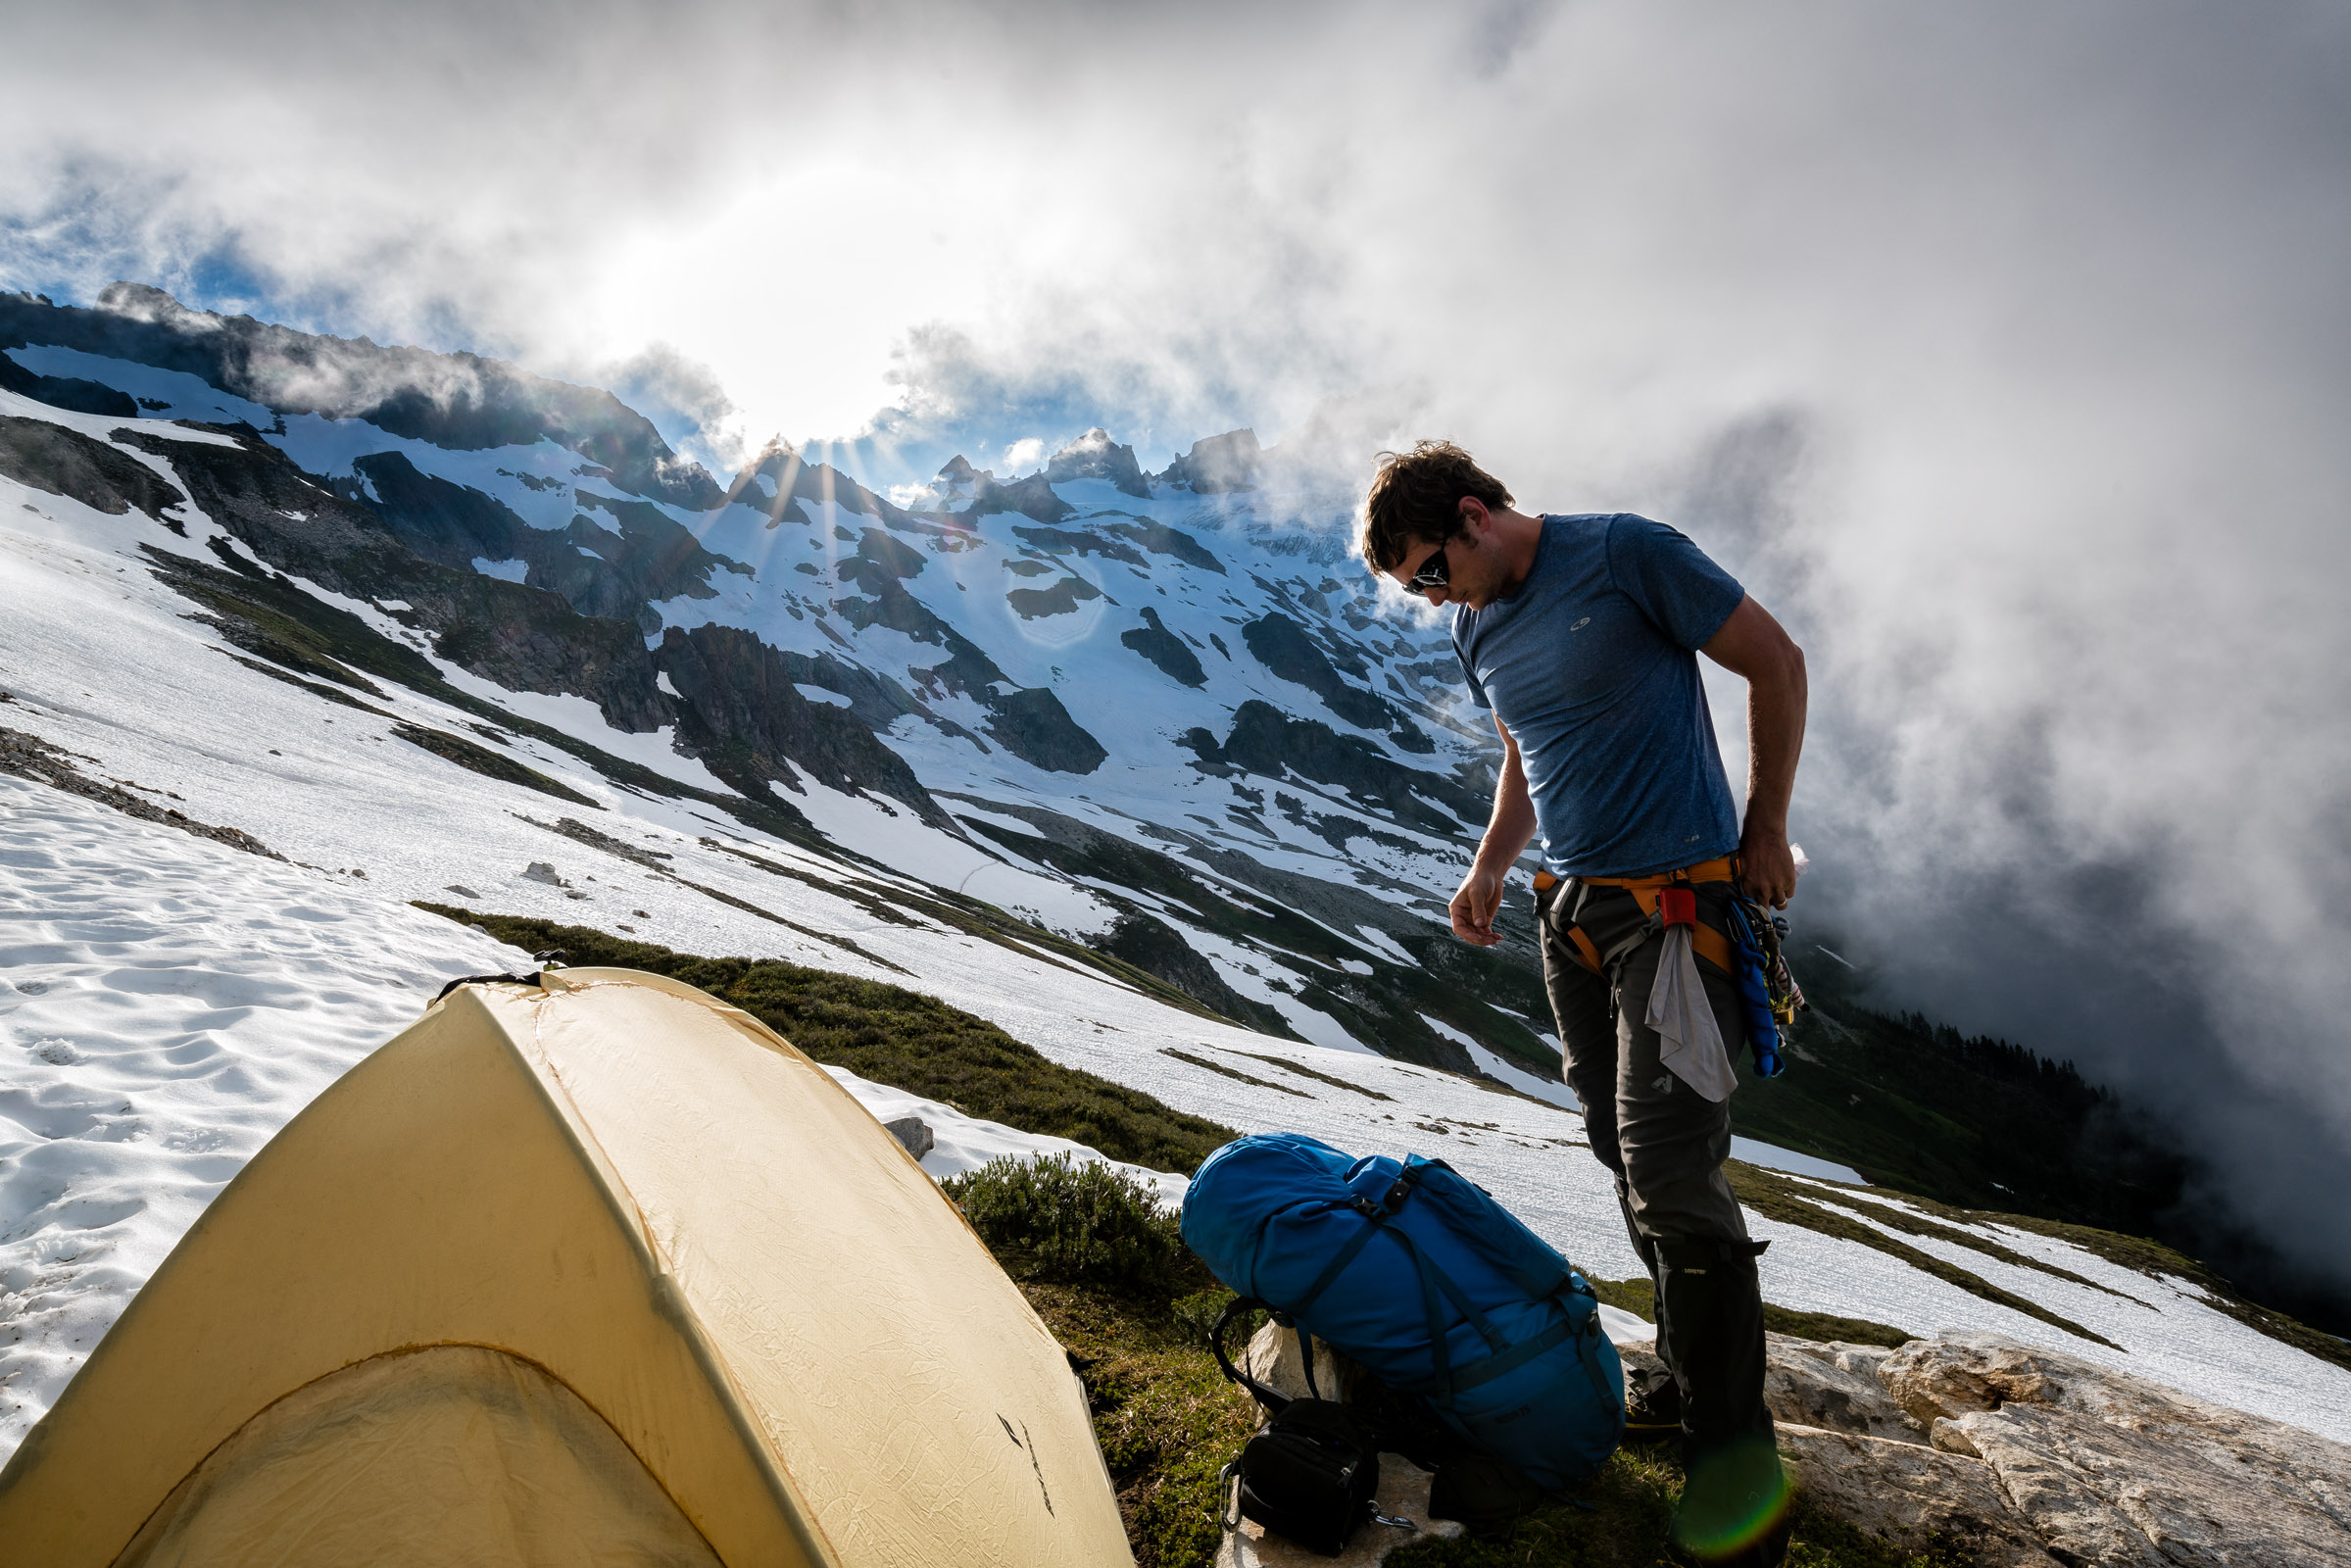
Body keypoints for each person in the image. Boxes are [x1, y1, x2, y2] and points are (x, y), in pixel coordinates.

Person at [1359, 440, 1806, 1567]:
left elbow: (1775, 660)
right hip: (1571, 914)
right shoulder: (1476, 625)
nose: (1429, 598)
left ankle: (1732, 1452)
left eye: (1427, 572)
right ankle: (1685, 1372)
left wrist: (1763, 828)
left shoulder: (1624, 554)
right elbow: (1522, 747)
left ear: (1472, 516)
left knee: (1668, 1165)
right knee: (1617, 1145)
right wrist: (1491, 864)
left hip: (1674, 910)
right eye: (1414, 587)